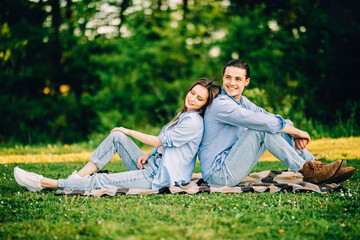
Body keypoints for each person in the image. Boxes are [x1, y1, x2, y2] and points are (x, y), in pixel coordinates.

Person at [14, 78, 221, 192]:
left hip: (158, 177)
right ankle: (78, 177)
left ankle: (44, 183)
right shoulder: (184, 114)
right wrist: (149, 154)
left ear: (204, 105)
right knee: (116, 138)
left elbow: (159, 139)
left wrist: (128, 130)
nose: (192, 98)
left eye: (199, 98)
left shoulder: (193, 121)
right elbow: (166, 144)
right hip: (151, 164)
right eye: (192, 92)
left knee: (104, 181)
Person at [198, 59, 356, 186]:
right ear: (223, 78)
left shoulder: (242, 101)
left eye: (238, 79)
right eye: (228, 77)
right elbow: (262, 123)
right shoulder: (221, 104)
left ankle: (315, 165)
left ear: (247, 82)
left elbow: (269, 117)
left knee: (279, 125)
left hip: (233, 165)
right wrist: (297, 132)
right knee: (261, 129)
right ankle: (309, 171)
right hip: (218, 175)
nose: (232, 83)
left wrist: (292, 131)